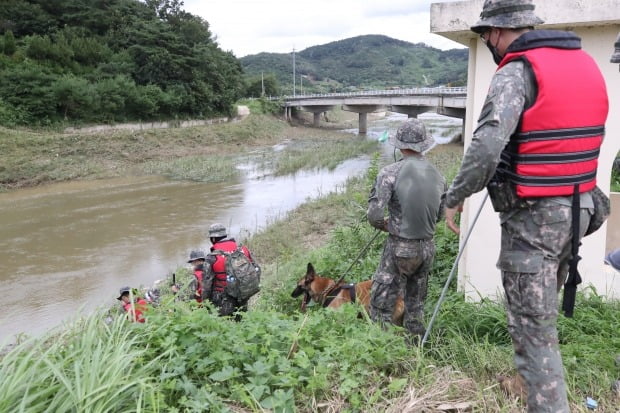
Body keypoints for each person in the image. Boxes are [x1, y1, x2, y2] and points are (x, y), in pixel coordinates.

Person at [443, 0, 609, 410]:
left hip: (535, 220)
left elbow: (484, 149)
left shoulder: (517, 72)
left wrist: (455, 197)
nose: (487, 45)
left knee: (535, 339)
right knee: (540, 319)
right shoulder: (585, 63)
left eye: (485, 37)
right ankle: (524, 385)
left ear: (497, 32)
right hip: (580, 210)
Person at [367, 118, 446, 341]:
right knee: (416, 304)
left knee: (382, 301)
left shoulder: (389, 173)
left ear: (399, 145)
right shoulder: (439, 176)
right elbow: (440, 215)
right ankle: (415, 348)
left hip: (399, 247)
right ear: (425, 145)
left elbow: (373, 215)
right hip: (427, 248)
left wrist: (387, 225)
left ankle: (380, 348)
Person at [202, 223, 255, 319]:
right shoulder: (243, 249)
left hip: (222, 298)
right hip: (243, 293)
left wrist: (204, 303)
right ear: (225, 235)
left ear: (213, 239)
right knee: (241, 321)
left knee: (224, 325)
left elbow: (206, 286)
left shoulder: (212, 257)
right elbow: (254, 268)